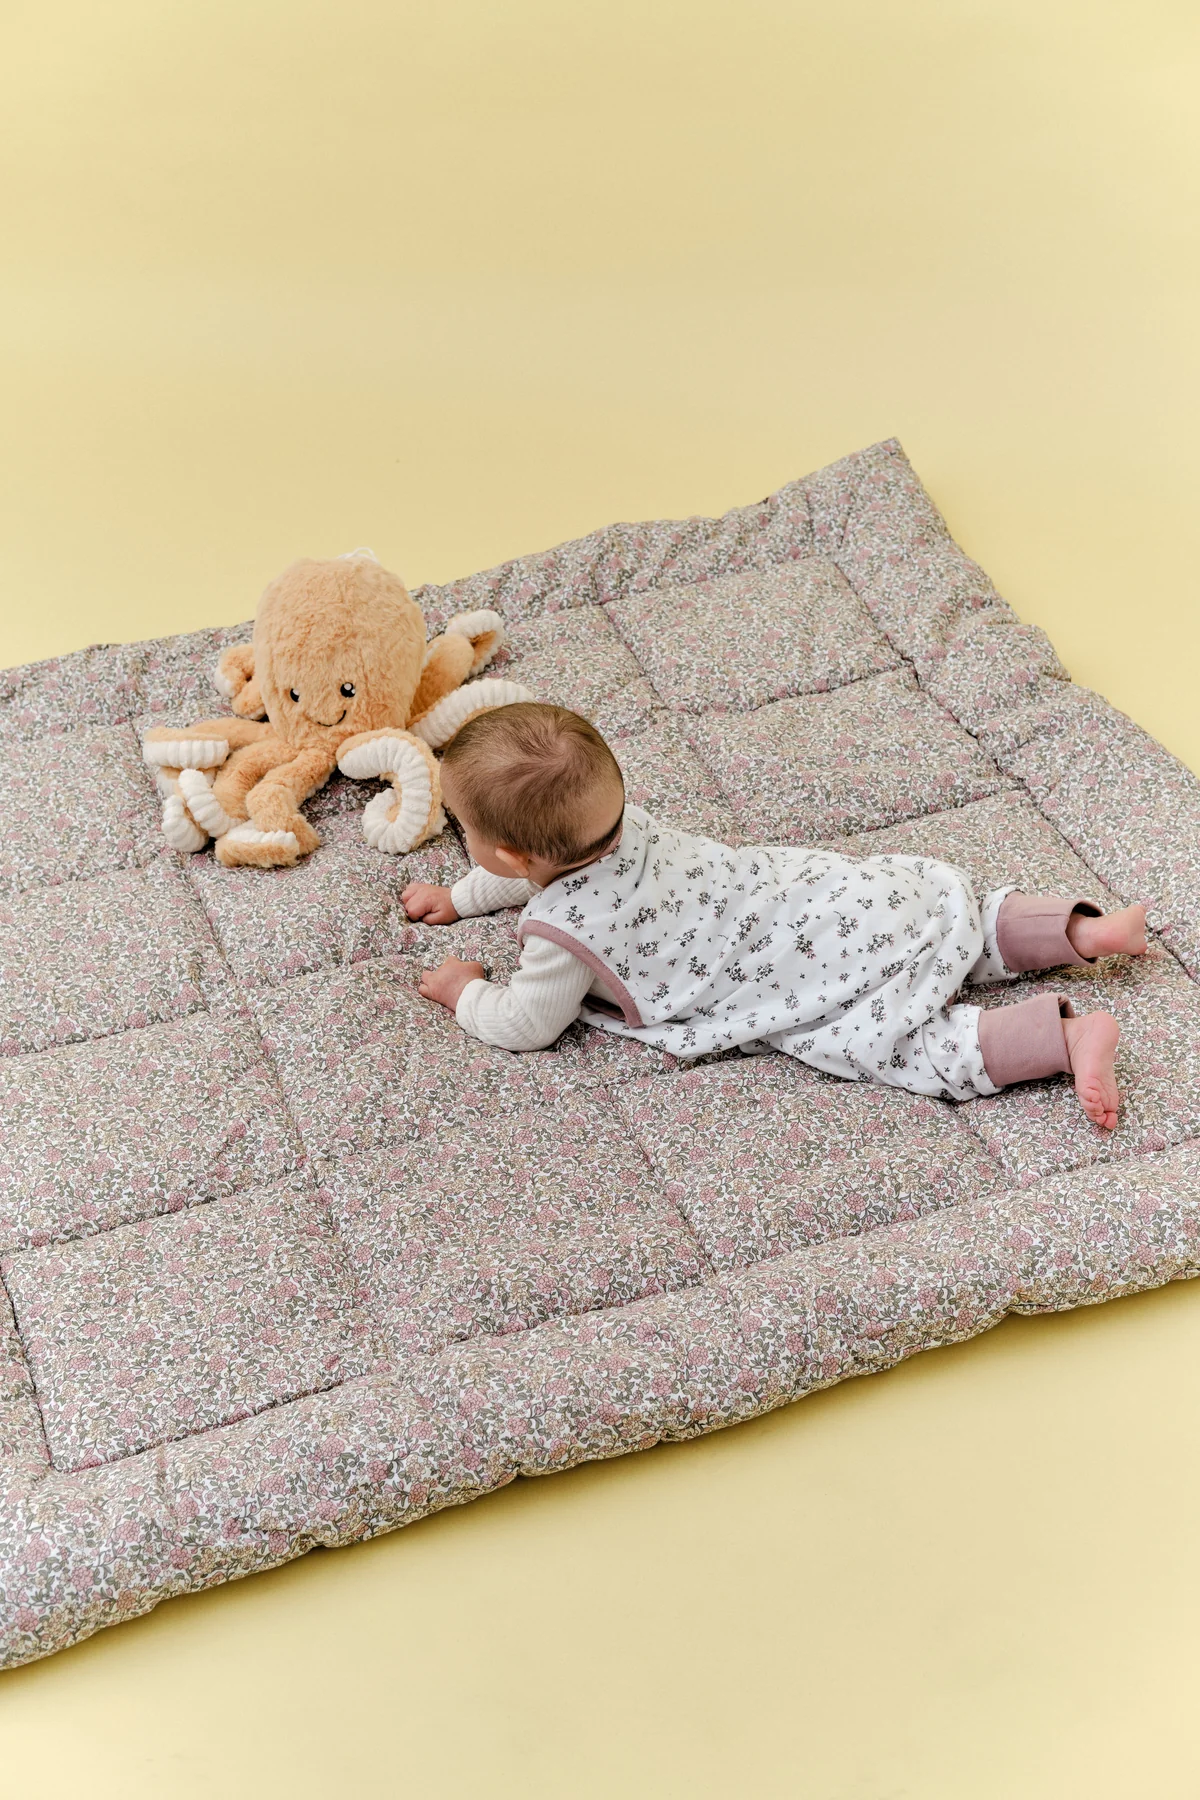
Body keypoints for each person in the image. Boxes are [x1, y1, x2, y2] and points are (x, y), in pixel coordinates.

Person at [403, 704, 1145, 1129]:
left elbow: (528, 1023)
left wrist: (464, 990)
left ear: (507, 852)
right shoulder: (615, 823)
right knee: (960, 921)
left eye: (463, 829)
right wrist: (463, 898)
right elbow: (543, 868)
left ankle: (1066, 1037)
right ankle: (1083, 931)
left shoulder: (565, 938)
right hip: (839, 901)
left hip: (810, 973)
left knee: (900, 1043)